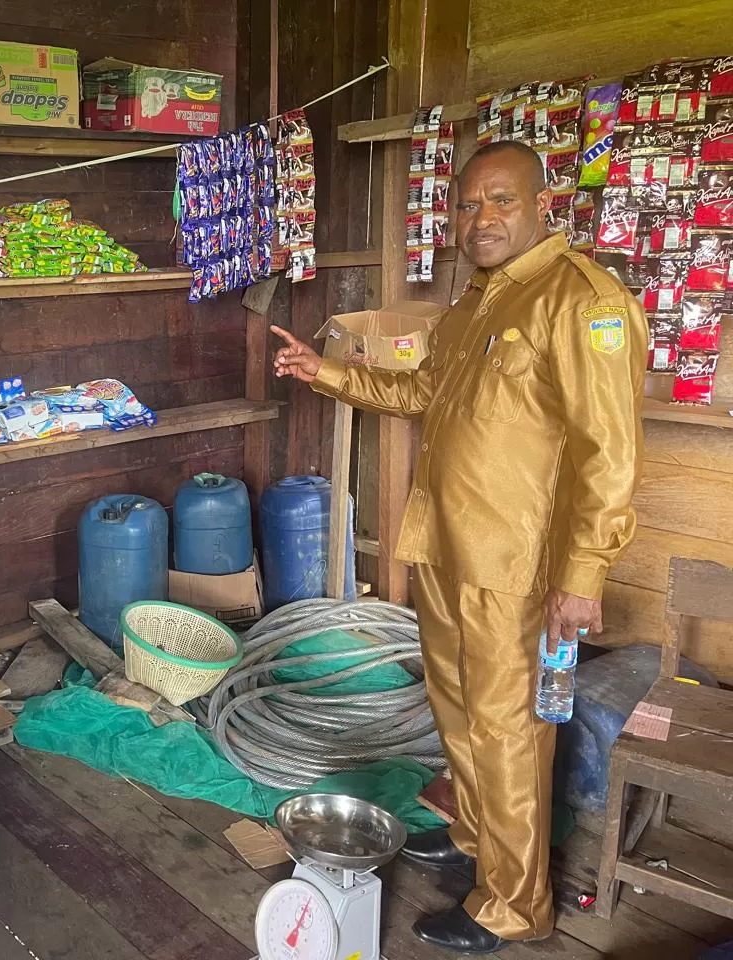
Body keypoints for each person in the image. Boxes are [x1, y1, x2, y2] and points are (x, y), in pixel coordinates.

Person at [271, 140, 645, 954]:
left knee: (509, 731)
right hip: (444, 548)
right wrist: (325, 372)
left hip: (519, 570)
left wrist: (584, 573)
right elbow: (420, 395)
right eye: (468, 205)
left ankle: (514, 905)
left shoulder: (581, 302)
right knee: (459, 713)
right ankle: (477, 839)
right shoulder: (473, 304)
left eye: (500, 201)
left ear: (542, 205)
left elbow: (608, 454)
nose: (481, 219)